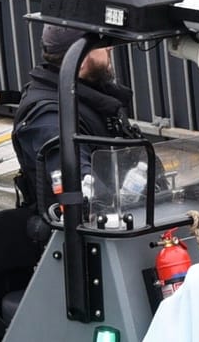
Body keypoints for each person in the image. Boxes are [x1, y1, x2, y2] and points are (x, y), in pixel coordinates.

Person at [10, 25, 139, 224]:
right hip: (84, 241)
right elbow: (86, 194)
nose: (110, 48)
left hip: (132, 222)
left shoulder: (93, 98)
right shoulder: (48, 120)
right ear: (80, 58)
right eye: (102, 44)